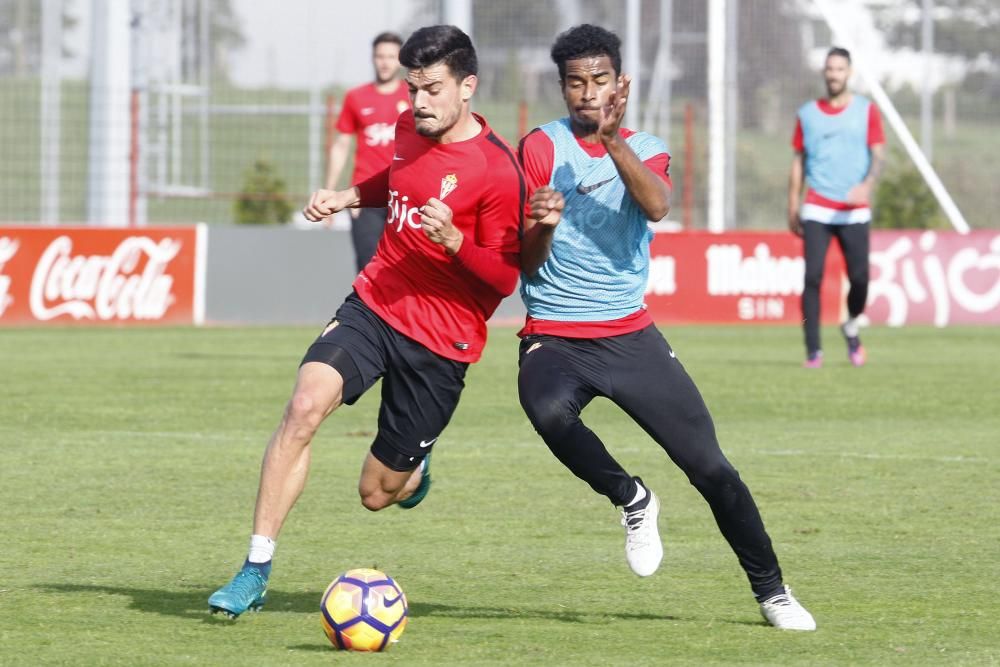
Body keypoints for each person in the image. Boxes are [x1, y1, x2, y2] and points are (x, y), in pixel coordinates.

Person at [208, 25, 524, 619]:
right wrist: (350, 195)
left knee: (377, 494)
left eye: (432, 89)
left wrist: (456, 241)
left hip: (442, 340)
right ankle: (254, 568)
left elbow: (506, 278)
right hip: (376, 301)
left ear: (467, 86)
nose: (419, 103)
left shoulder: (497, 170)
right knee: (303, 407)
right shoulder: (407, 127)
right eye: (413, 89)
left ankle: (414, 472)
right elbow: (397, 180)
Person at [516, 24, 816, 631]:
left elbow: (656, 205)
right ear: (562, 87)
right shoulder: (540, 147)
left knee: (710, 468)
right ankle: (632, 499)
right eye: (575, 82)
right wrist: (543, 224)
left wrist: (611, 143)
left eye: (599, 80)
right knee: (545, 408)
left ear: (619, 83)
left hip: (630, 334)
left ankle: (773, 592)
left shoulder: (647, 146)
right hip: (556, 328)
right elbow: (525, 259)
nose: (587, 92)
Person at [789, 46, 885, 368]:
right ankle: (813, 351)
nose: (834, 75)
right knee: (812, 277)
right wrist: (792, 202)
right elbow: (798, 162)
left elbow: (879, 154)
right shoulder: (807, 114)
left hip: (854, 209)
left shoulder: (866, 110)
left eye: (840, 69)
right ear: (824, 73)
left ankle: (851, 323)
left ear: (849, 73)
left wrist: (867, 185)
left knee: (860, 278)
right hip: (817, 206)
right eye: (829, 69)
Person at [325, 31, 411, 272]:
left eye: (390, 57)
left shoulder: (414, 96)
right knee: (368, 269)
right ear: (373, 58)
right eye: (379, 56)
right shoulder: (356, 97)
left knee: (406, 270)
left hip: (404, 194)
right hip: (364, 196)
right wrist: (332, 193)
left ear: (400, 60)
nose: (384, 62)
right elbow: (341, 145)